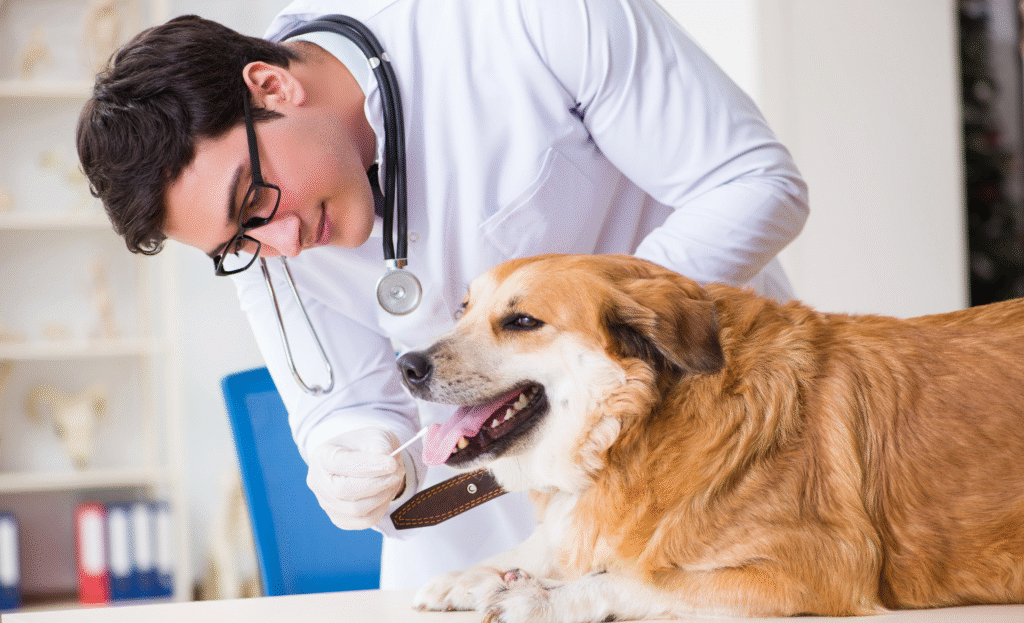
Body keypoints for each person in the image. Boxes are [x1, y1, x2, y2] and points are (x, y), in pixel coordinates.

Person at [77, 0, 809, 590]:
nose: (284, 245)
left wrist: (613, 333)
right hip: (487, 517)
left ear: (272, 86)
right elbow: (343, 404)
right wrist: (352, 454)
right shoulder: (270, 242)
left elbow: (751, 184)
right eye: (238, 246)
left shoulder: (521, 21)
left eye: (256, 200)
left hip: (710, 436)